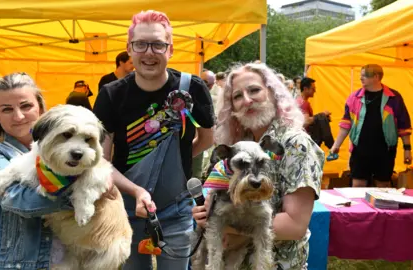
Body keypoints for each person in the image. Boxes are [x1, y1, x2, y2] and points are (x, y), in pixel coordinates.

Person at [93, 10, 215, 270]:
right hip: (125, 208)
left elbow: (207, 139)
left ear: (170, 50)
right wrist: (136, 191)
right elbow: (101, 162)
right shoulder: (111, 95)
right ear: (129, 49)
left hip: (177, 208)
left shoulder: (192, 88)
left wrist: (172, 165)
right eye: (141, 44)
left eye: (158, 44)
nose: (149, 52)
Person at [192, 62, 324, 269]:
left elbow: (295, 225)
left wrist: (225, 225)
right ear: (231, 108)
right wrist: (205, 214)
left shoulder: (297, 144)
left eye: (254, 90)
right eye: (237, 96)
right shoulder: (238, 145)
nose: (247, 100)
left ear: (273, 94)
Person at [0, 73, 73, 269]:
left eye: (26, 106)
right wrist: (83, 196)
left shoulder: (65, 149)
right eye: (6, 109)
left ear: (41, 108)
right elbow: (21, 200)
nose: (18, 116)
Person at [330, 64, 411, 187]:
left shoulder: (394, 98)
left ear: (377, 77)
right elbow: (346, 124)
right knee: (357, 185)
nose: (361, 78)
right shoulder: (354, 98)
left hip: (385, 150)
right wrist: (336, 146)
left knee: (383, 186)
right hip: (360, 149)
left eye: (365, 76)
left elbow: (404, 126)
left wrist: (407, 150)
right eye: (360, 76)